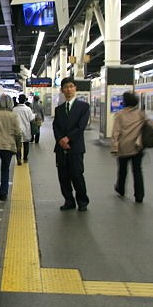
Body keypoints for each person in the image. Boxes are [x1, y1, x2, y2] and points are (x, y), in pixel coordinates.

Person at [53, 77, 90, 211]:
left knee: (77, 175)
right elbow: (55, 127)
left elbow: (81, 126)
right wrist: (60, 141)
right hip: (61, 149)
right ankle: (69, 201)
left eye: (71, 86)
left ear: (75, 88)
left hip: (75, 148)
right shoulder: (59, 109)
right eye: (65, 87)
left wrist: (68, 139)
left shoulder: (83, 107)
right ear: (62, 90)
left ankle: (82, 201)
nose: (68, 90)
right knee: (63, 176)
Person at [111, 91, 145, 203]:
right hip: (137, 147)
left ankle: (120, 189)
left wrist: (115, 147)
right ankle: (139, 195)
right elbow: (147, 127)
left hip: (123, 147)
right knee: (137, 171)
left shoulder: (120, 114)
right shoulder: (140, 114)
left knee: (122, 169)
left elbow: (116, 132)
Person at [12, 94, 35, 165]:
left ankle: (18, 158)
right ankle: (25, 158)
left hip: (17, 129)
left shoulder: (14, 109)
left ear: (18, 100)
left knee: (18, 145)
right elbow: (31, 119)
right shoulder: (28, 109)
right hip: (26, 129)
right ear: (25, 100)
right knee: (26, 144)